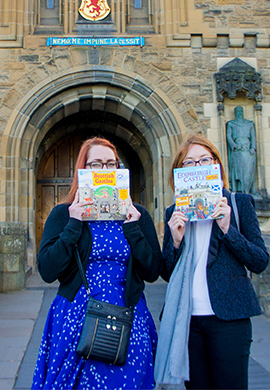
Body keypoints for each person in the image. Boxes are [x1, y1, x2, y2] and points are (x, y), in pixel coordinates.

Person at [33, 137, 163, 389]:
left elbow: (153, 271)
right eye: (96, 164)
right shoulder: (63, 213)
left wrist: (133, 228)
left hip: (128, 316)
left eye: (111, 164)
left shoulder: (137, 213)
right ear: (83, 170)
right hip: (76, 317)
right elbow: (48, 270)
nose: (104, 170)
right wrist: (74, 224)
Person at [155, 133, 269, 389]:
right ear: (179, 172)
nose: (197, 167)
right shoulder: (174, 212)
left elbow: (260, 261)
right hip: (189, 321)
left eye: (204, 160)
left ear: (216, 165)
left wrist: (229, 230)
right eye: (189, 163)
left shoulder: (239, 203)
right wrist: (174, 241)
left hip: (229, 319)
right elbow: (167, 271)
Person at [225, 106, 256, 194]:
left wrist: (253, 148)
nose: (239, 113)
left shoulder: (249, 124)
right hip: (237, 151)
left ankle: (248, 189)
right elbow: (228, 136)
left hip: (247, 150)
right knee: (237, 171)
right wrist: (234, 145)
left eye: (240, 111)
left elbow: (253, 137)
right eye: (237, 111)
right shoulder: (231, 124)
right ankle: (236, 189)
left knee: (248, 170)